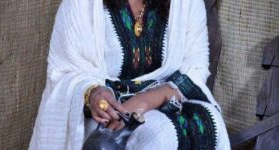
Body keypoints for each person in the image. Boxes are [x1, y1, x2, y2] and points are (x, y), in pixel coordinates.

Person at [29, 0, 230, 149]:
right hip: (108, 113)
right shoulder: (82, 4)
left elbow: (196, 68)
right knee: (153, 136)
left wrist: (149, 99)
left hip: (169, 99)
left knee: (210, 120)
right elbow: (64, 72)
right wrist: (93, 93)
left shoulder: (185, 3)